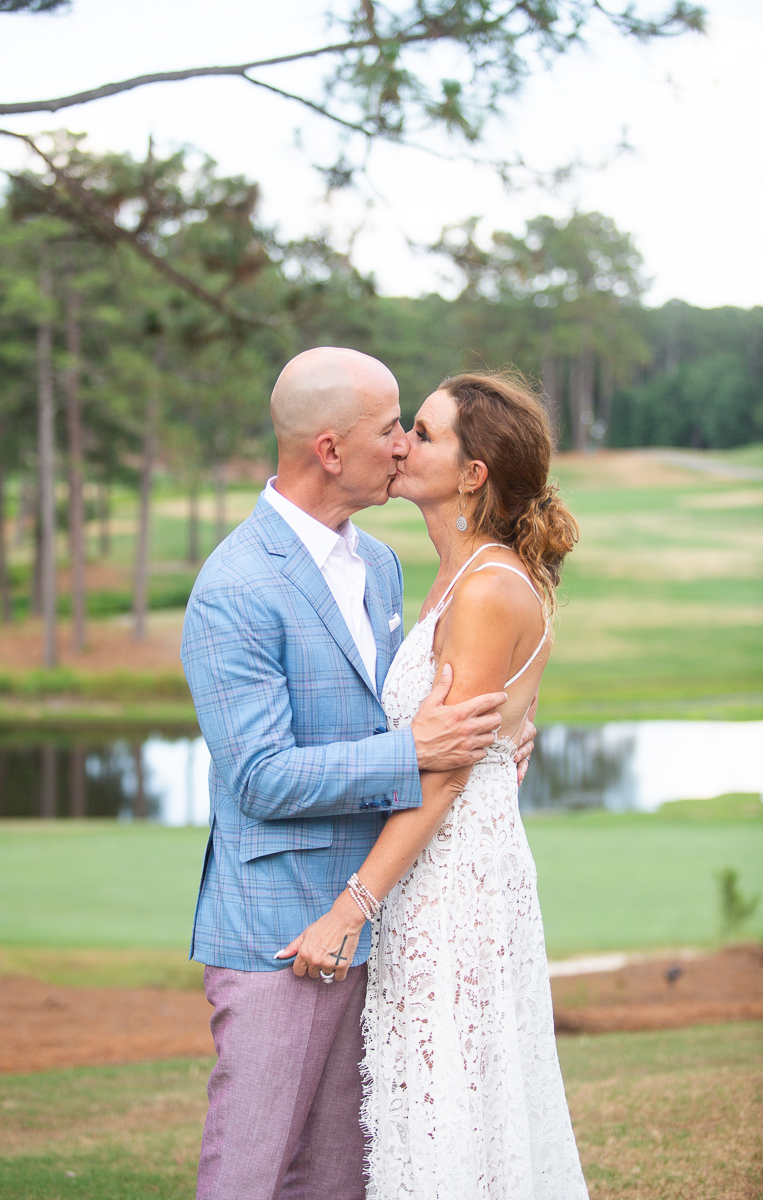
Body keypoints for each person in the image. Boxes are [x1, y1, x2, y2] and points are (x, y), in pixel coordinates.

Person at [180, 348, 537, 1200]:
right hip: (282, 928)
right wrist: (412, 752)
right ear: (331, 450)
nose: (403, 448)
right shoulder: (232, 588)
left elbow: (435, 699)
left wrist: (505, 734)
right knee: (253, 1173)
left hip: (394, 919)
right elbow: (261, 777)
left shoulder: (380, 564)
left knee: (347, 1175)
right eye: (391, 430)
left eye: (412, 430)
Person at [280, 371, 588, 1198]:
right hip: (433, 869)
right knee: (435, 1094)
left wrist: (348, 912)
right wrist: (517, 733)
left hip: (455, 879)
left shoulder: (485, 586)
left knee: (450, 1092)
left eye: (422, 430)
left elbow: (446, 776)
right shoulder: (458, 579)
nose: (402, 444)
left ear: (473, 471)